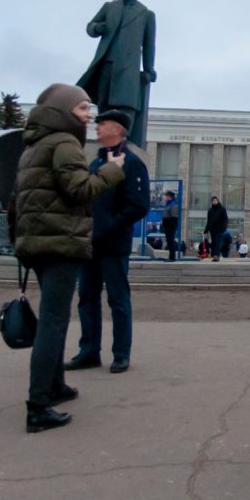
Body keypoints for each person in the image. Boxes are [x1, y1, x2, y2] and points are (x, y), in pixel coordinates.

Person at [14, 83, 124, 433]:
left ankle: (55, 385)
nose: (89, 115)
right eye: (82, 109)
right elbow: (79, 190)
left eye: (89, 109)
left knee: (53, 316)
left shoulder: (34, 146)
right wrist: (112, 169)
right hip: (60, 243)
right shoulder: (64, 143)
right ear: (63, 111)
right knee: (53, 322)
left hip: (38, 242)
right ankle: (38, 406)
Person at [66, 109, 150, 375]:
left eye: (102, 124)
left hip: (113, 245)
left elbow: (138, 205)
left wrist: (109, 226)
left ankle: (121, 354)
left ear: (117, 128)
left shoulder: (132, 163)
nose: (98, 128)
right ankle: (89, 351)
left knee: (118, 300)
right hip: (89, 243)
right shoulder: (96, 163)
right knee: (86, 298)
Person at [76, 0, 157, 148]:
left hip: (129, 67)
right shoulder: (110, 7)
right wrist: (98, 28)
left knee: (127, 102)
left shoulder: (146, 14)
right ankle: (105, 136)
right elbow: (91, 26)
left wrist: (149, 69)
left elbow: (149, 45)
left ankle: (123, 138)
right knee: (104, 102)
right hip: (106, 61)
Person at [203, 196, 228, 262]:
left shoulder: (222, 209)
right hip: (212, 229)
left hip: (219, 229)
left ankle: (216, 255)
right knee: (213, 242)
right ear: (212, 202)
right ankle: (214, 255)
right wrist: (206, 230)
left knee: (217, 242)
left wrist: (224, 227)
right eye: (213, 201)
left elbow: (225, 219)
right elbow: (208, 221)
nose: (214, 202)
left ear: (218, 201)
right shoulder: (210, 210)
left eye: (215, 200)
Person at [162, 190, 179, 262]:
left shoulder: (173, 205)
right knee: (169, 242)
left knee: (170, 241)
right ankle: (171, 257)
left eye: (166, 196)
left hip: (170, 227)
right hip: (167, 226)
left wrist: (169, 227)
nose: (165, 197)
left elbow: (174, 218)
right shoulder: (168, 204)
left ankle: (172, 257)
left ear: (170, 197)